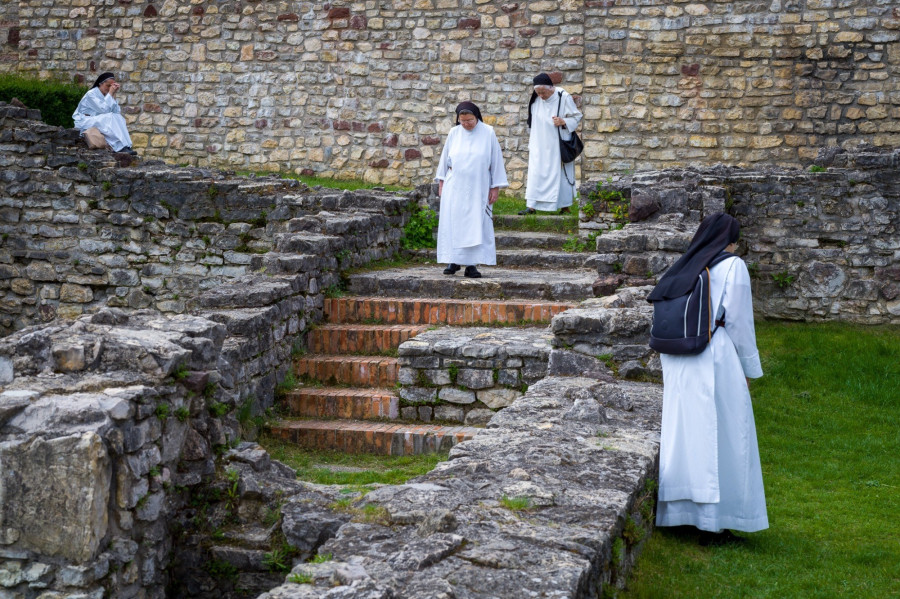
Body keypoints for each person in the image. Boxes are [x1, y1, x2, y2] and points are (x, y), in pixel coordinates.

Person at [648, 213, 768, 544]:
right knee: (724, 435)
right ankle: (713, 522)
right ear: (730, 240)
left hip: (677, 358)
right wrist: (748, 370)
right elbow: (740, 324)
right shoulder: (732, 267)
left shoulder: (684, 264)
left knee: (685, 434)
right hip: (714, 355)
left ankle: (679, 515)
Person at [434, 101, 508, 279]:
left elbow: (495, 161)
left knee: (475, 224)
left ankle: (472, 265)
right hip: (455, 186)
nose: (466, 124)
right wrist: (441, 181)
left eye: (469, 120)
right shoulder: (454, 132)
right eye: (462, 120)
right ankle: (453, 260)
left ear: (477, 117)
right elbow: (445, 158)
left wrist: (495, 187)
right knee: (453, 222)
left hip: (479, 187)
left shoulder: (488, 132)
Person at [520, 73, 583, 215]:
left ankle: (565, 207)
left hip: (558, 144)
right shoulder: (536, 99)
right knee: (536, 173)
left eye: (543, 92)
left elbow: (576, 116)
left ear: (551, 87)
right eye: (538, 93)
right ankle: (532, 206)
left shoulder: (563, 96)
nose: (541, 96)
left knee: (561, 175)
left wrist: (563, 121)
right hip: (539, 143)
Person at [72, 72, 136, 155]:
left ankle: (127, 145)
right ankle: (119, 147)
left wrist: (113, 94)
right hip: (85, 120)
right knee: (110, 117)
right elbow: (104, 109)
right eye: (108, 86)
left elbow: (116, 111)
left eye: (111, 87)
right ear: (100, 84)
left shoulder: (107, 95)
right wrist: (110, 93)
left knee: (119, 117)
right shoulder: (91, 94)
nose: (110, 88)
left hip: (98, 119)